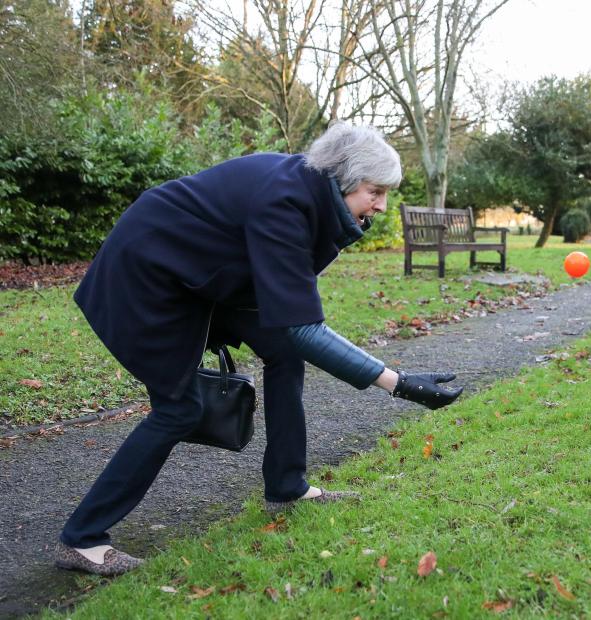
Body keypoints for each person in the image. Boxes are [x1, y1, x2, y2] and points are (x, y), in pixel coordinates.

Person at [55, 123, 463, 576]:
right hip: (147, 278)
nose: (382, 205)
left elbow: (292, 320)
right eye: (375, 191)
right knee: (179, 409)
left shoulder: (307, 192)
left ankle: (287, 486)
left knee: (284, 353)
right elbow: (305, 328)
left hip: (205, 276)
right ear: (343, 177)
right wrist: (398, 384)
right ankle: (83, 539)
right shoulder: (284, 202)